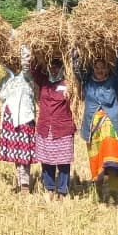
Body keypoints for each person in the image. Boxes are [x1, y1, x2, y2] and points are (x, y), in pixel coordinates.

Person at [75, 48, 118, 204]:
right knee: (97, 162)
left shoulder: (114, 82)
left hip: (110, 124)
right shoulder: (87, 82)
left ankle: (112, 194)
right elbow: (77, 70)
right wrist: (75, 55)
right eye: (97, 67)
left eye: (103, 67)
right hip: (92, 128)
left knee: (112, 162)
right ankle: (98, 191)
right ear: (93, 68)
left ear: (107, 69)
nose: (100, 70)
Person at [0, 49, 36, 193]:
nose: (12, 63)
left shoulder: (26, 76)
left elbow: (27, 63)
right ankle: (21, 183)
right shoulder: (6, 79)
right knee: (16, 154)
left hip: (24, 118)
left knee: (24, 154)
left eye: (15, 60)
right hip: (9, 119)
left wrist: (19, 44)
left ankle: (25, 185)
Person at [32, 57, 76, 200]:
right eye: (51, 66)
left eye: (57, 66)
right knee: (46, 160)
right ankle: (49, 188)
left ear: (62, 68)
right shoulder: (44, 81)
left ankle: (62, 191)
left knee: (63, 161)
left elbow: (78, 73)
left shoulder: (68, 83)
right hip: (45, 127)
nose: (54, 69)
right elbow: (34, 68)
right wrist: (39, 52)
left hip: (62, 128)